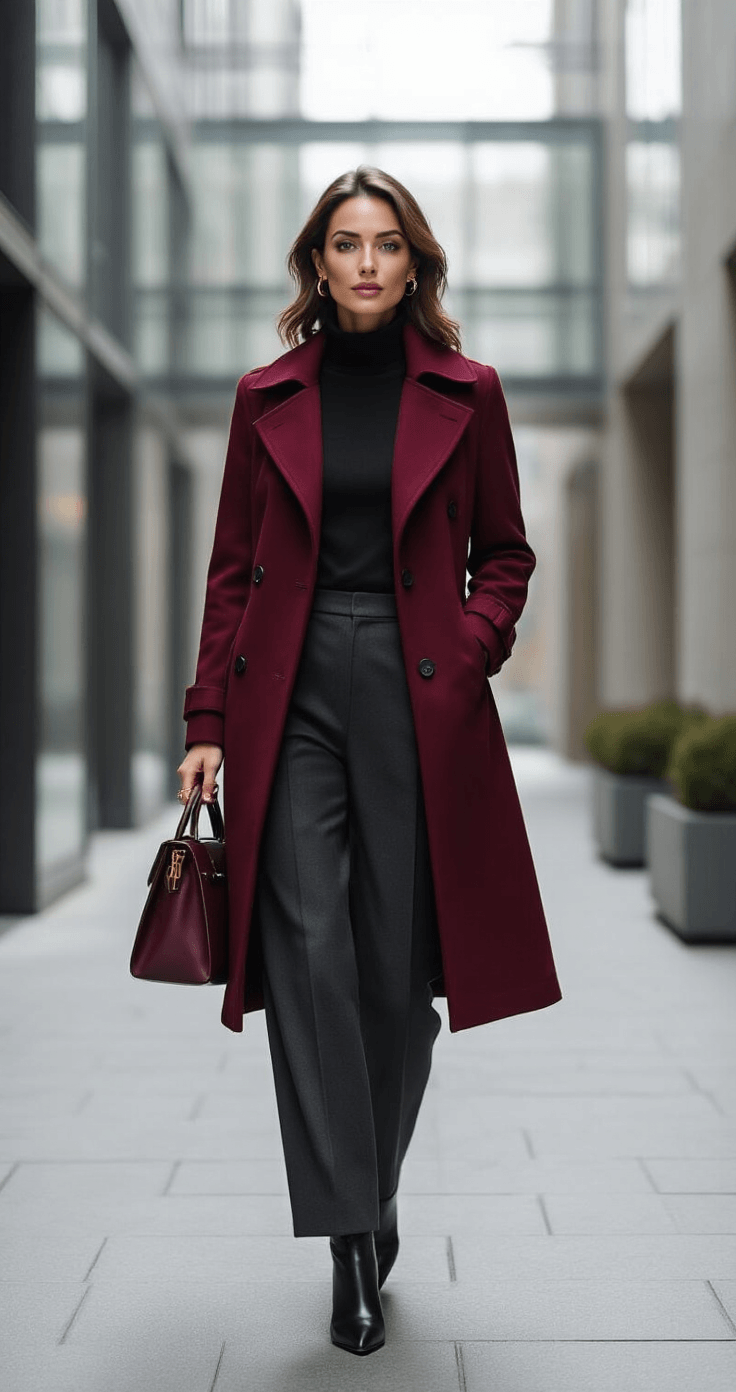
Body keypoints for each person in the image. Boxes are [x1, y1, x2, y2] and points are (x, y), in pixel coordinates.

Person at [177, 167, 562, 1356]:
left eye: (385, 245)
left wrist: (473, 640)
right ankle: (352, 1240)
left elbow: (505, 551)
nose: (363, 264)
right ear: (316, 262)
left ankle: (371, 1191)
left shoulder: (468, 391)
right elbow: (232, 568)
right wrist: (203, 721)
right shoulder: (264, 397)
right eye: (343, 244)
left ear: (413, 265)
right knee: (307, 959)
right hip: (282, 690)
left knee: (397, 979)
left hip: (416, 690)